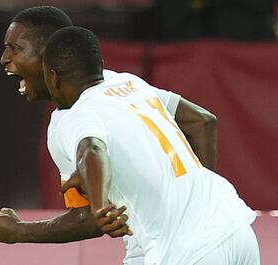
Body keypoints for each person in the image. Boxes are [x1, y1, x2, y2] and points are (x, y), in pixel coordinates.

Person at [0, 6, 218, 264]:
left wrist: (19, 230)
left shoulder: (68, 119)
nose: (4, 58)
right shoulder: (127, 82)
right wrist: (199, 198)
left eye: (15, 48)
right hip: (228, 228)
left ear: (48, 56)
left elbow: (90, 214)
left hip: (172, 248)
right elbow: (203, 122)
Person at [42, 25, 260, 265]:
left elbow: (92, 149)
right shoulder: (131, 84)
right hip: (237, 229)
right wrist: (193, 196)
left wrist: (99, 206)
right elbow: (204, 121)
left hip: (189, 251)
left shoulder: (76, 115)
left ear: (53, 76)